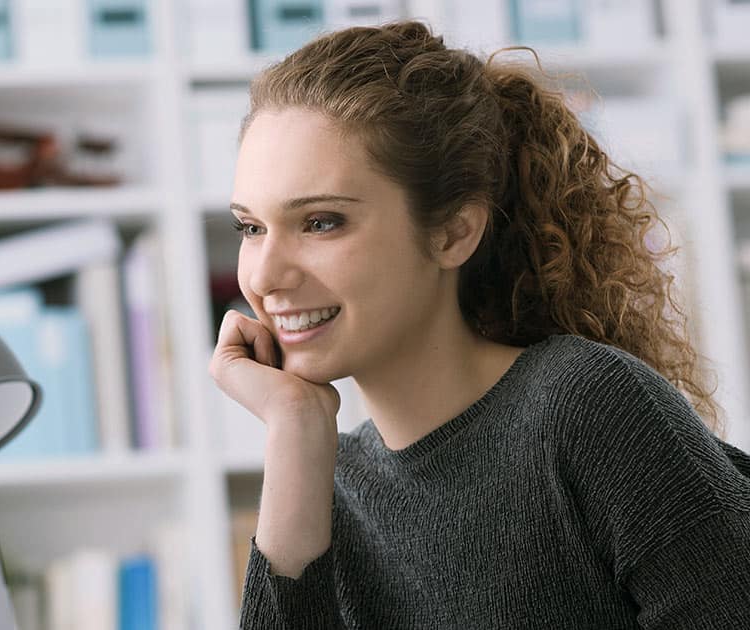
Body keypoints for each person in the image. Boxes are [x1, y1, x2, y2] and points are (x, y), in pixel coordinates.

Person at [208, 20, 750, 629]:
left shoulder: (585, 406)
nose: (265, 275)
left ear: (454, 231)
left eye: (322, 222)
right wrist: (295, 428)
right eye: (250, 228)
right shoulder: (323, 486)